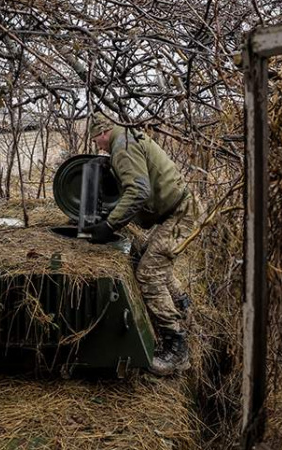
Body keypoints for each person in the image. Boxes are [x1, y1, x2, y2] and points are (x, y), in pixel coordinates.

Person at [83, 113, 201, 376]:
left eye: (96, 140)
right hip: (180, 209)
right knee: (152, 260)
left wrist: (109, 225)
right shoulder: (126, 138)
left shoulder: (121, 147)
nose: (98, 146)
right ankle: (186, 315)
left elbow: (138, 191)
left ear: (104, 132)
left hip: (180, 214)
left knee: (148, 274)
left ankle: (176, 348)